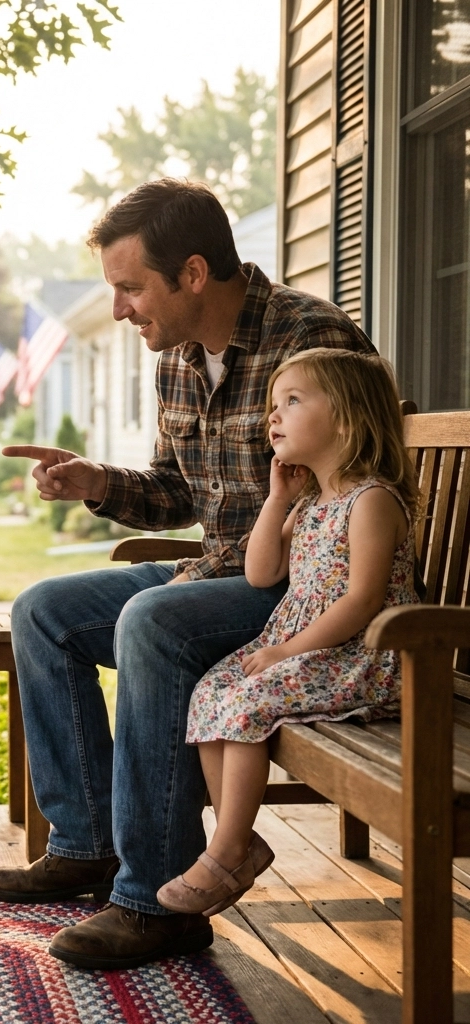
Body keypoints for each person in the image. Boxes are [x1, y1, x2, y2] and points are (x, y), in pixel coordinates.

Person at [0, 178, 375, 971]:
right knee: (42, 611)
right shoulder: (179, 361)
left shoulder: (311, 341)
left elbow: (367, 478)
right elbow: (175, 493)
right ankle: (87, 842)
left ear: (192, 273)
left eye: (131, 288)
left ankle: (152, 901)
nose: (122, 308)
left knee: (153, 620)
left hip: (304, 588)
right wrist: (96, 482)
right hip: (222, 571)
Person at [156, 348, 419, 916]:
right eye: (274, 404)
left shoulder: (369, 500)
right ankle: (239, 841)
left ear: (346, 417)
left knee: (247, 704)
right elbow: (261, 572)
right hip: (314, 655)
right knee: (212, 690)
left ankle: (224, 852)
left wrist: (287, 650)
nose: (272, 416)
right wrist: (276, 499)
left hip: (363, 656)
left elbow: (364, 600)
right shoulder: (310, 501)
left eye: (292, 402)